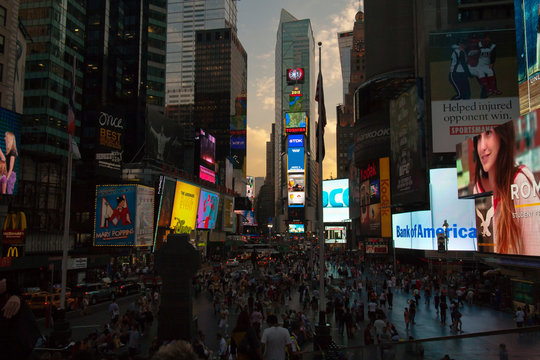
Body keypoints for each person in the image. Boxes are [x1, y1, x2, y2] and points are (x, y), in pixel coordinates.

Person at [473, 124, 540, 255]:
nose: (482, 147)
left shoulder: (520, 180)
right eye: (478, 138)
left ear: (502, 136)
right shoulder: (477, 188)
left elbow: (535, 252)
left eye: (488, 133)